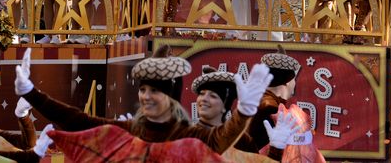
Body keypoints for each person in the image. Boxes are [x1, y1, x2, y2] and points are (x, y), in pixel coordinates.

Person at [15, 47, 272, 153]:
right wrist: (30, 92)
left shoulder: (190, 135)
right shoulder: (129, 130)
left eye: (155, 91)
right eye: (143, 89)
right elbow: (78, 121)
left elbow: (220, 140)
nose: (145, 96)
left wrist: (244, 112)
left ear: (170, 97)